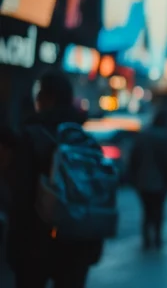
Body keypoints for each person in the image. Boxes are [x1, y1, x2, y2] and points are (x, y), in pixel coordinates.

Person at [6, 70, 102, 288]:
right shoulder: (86, 141)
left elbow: (19, 194)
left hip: (35, 241)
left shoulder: (31, 136)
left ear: (47, 99)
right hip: (79, 240)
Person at [128, 111, 167, 249]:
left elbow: (134, 158)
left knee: (146, 211)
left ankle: (146, 239)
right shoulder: (166, 137)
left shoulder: (143, 136)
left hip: (143, 180)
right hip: (160, 181)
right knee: (158, 210)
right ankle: (157, 237)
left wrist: (132, 177)